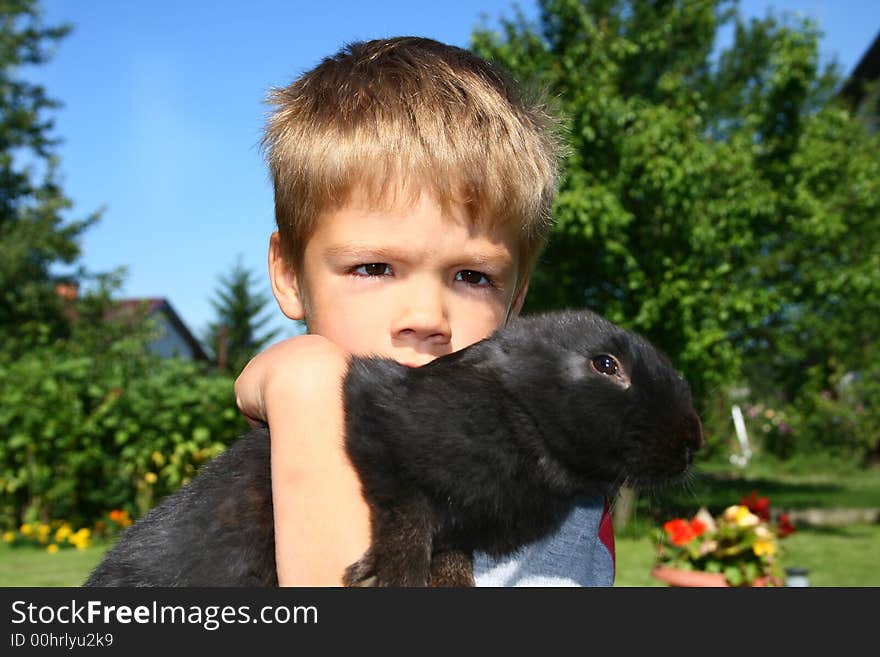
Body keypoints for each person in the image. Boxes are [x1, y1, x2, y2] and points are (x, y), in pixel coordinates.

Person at [234, 36, 615, 586]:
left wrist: (305, 382)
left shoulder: (547, 502)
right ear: (290, 275)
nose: (426, 317)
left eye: (471, 277)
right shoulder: (256, 476)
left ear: (516, 300)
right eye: (373, 268)